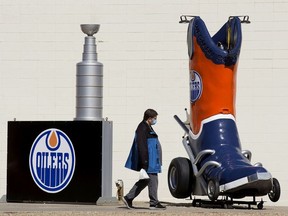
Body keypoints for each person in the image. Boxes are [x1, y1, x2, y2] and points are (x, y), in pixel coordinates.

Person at [123, 109, 166, 210]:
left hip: (153, 161)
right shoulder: (142, 128)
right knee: (152, 180)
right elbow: (141, 146)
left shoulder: (148, 127)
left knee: (147, 180)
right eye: (154, 118)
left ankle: (131, 198)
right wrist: (145, 162)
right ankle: (152, 202)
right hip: (149, 161)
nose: (155, 120)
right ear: (149, 118)